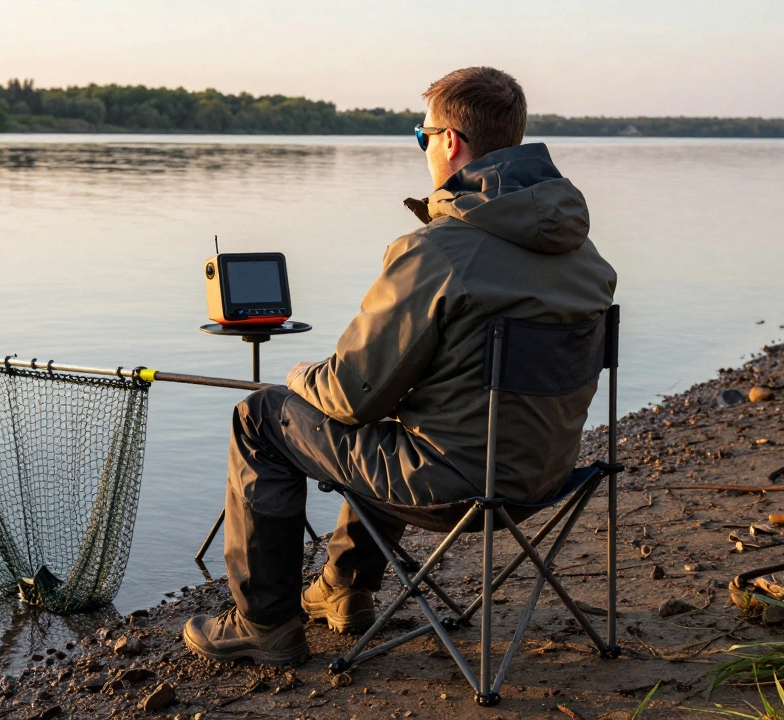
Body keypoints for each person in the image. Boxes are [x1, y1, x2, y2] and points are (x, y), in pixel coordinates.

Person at [182, 66, 618, 666]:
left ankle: (264, 623)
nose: (424, 149)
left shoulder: (436, 251)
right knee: (395, 418)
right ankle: (345, 587)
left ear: (450, 141)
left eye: (422, 136)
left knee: (261, 417)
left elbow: (351, 393)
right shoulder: (586, 258)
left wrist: (295, 377)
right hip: (544, 481)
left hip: (451, 488)